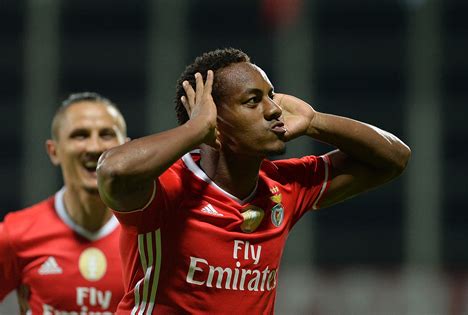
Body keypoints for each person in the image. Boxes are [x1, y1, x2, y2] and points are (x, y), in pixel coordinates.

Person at [97, 48, 411, 314]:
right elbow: (113, 171)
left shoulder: (284, 187)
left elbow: (394, 158)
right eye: (253, 101)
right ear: (214, 121)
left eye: (271, 97)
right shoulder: (169, 188)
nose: (275, 110)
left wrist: (316, 121)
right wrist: (195, 130)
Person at [0, 92, 128, 314]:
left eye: (106, 135)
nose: (95, 147)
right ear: (54, 151)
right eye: (80, 135)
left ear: (126, 148)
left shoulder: (149, 237)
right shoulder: (16, 234)